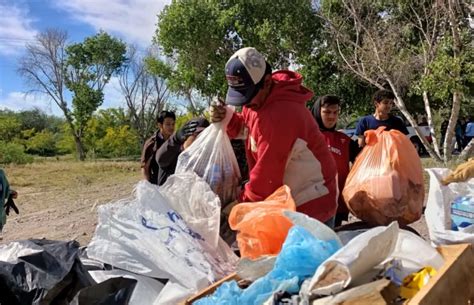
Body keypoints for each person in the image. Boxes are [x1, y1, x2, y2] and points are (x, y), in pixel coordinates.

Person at [210, 47, 338, 227]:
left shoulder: (281, 114)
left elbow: (266, 177)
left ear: (267, 81)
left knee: (306, 254)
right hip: (290, 197)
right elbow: (250, 130)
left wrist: (240, 205)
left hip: (311, 202)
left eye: (247, 97)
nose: (246, 104)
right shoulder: (257, 101)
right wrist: (227, 119)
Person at [311, 95, 360, 227]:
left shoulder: (344, 140)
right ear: (317, 112)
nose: (332, 116)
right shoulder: (307, 137)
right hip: (313, 204)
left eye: (335, 112)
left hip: (337, 203)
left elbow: (363, 159)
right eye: (327, 112)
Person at [156, 118, 210, 186]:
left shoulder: (205, 160)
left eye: (203, 137)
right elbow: (160, 159)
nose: (199, 141)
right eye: (196, 135)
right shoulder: (173, 153)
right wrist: (175, 138)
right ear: (186, 136)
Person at [140, 110, 176, 184]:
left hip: (174, 183)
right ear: (160, 125)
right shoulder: (152, 143)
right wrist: (148, 186)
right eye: (168, 124)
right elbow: (145, 168)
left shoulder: (176, 141)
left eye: (173, 124)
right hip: (157, 184)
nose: (171, 127)